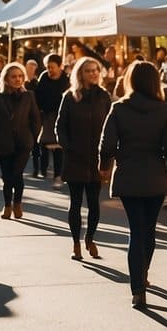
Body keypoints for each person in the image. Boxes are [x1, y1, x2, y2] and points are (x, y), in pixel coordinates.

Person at [99, 61, 167, 309]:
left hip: (128, 175)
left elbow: (106, 143)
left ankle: (137, 288)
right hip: (156, 176)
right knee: (149, 229)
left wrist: (105, 165)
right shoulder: (165, 109)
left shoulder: (119, 108)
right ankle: (143, 273)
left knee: (136, 231)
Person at [57, 56, 112, 261]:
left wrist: (108, 154)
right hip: (75, 158)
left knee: (94, 203)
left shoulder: (104, 97)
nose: (94, 73)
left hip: (97, 159)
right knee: (76, 202)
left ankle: (90, 238)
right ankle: (75, 243)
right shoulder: (70, 97)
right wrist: (69, 147)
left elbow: (111, 126)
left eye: (96, 70)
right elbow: (60, 127)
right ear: (81, 73)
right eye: (89, 71)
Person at [0, 62, 43, 220]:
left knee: (17, 173)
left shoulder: (29, 95)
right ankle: (7, 205)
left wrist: (33, 138)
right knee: (7, 177)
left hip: (24, 142)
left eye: (20, 76)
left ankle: (18, 203)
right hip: (3, 142)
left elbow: (36, 119)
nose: (18, 79)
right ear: (6, 79)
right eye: (14, 76)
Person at [33, 54, 68, 184]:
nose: (50, 70)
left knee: (59, 146)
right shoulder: (44, 77)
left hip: (61, 116)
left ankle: (58, 175)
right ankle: (43, 168)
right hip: (46, 116)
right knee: (44, 143)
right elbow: (38, 95)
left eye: (52, 67)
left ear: (60, 67)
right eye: (48, 67)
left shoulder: (66, 80)